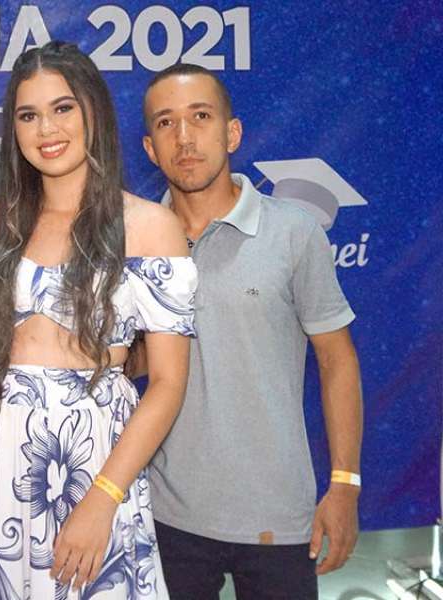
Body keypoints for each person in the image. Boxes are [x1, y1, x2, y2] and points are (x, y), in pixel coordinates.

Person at [0, 41, 197, 600]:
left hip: (96, 466)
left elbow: (168, 383)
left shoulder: (150, 226)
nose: (46, 129)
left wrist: (103, 499)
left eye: (62, 108)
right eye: (28, 115)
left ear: (93, 111)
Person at [141, 63, 363, 599]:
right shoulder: (135, 239)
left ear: (232, 132)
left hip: (276, 517)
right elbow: (131, 360)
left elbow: (338, 361)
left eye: (200, 117)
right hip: (166, 515)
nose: (185, 137)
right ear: (150, 148)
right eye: (167, 123)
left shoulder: (294, 232)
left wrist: (345, 484)